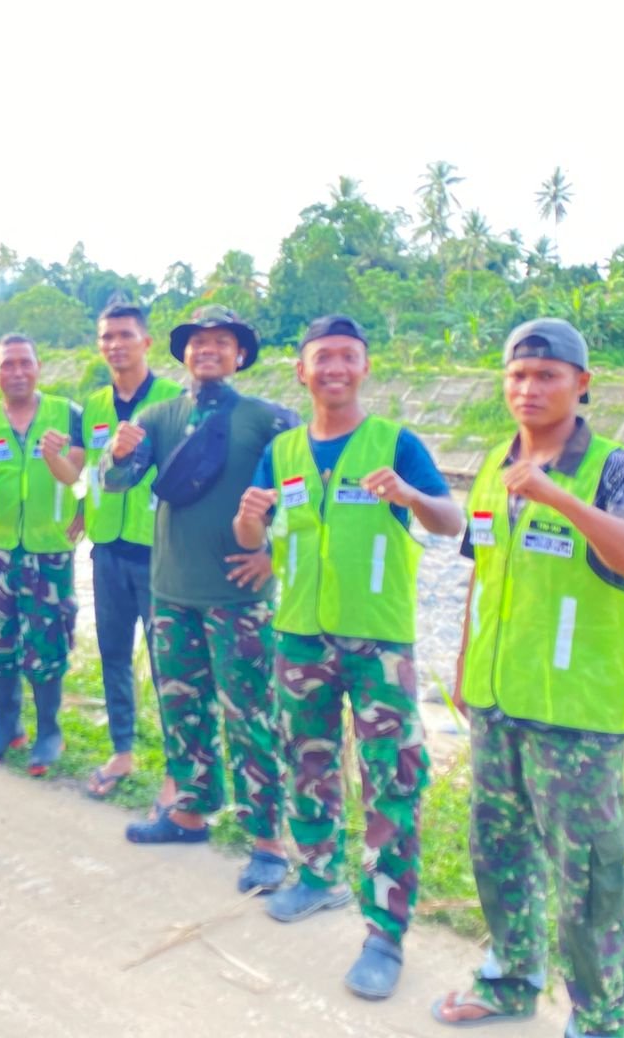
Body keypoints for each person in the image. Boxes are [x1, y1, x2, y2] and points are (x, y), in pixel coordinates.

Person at [432, 319, 624, 1037]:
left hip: (578, 712)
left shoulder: (615, 470)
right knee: (498, 849)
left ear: (582, 384)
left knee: (591, 876)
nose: (529, 388)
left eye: (547, 375)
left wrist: (559, 497)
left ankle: (599, 1020)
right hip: (502, 699)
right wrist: (467, 664)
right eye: (517, 375)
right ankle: (510, 979)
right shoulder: (490, 469)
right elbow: (483, 568)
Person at [235, 315, 463, 1001]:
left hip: (377, 646)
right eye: (321, 358)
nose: (334, 367)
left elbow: (450, 522)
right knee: (306, 761)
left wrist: (412, 496)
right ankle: (316, 876)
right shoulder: (282, 452)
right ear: (301, 371)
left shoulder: (395, 444)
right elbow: (252, 530)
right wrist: (248, 518)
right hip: (299, 635)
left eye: (347, 356)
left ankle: (385, 934)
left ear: (364, 368)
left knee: (392, 783)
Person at [99, 304, 297, 894]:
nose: (208, 349)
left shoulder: (269, 419)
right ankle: (188, 813)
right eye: (198, 342)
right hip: (171, 593)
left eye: (222, 342)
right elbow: (118, 484)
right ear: (183, 354)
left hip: (239, 598)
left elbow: (303, 497)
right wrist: (119, 453)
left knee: (251, 717)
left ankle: (268, 840)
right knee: (182, 710)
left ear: (240, 356)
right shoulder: (159, 415)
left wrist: (273, 555)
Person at [0, 333, 85, 777]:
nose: (17, 372)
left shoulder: (68, 414)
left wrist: (84, 511)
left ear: (39, 367)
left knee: (47, 641)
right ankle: (6, 727)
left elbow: (91, 473)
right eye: (7, 365)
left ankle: (48, 731)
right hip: (0, 554)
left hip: (50, 553)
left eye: (24, 363)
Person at [77, 303, 184, 803]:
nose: (115, 345)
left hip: (158, 555)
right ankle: (122, 750)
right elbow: (86, 472)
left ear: (146, 341)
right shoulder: (93, 405)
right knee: (114, 655)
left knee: (169, 666)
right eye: (106, 338)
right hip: (106, 553)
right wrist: (76, 523)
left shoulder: (173, 401)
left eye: (124, 335)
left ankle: (177, 770)